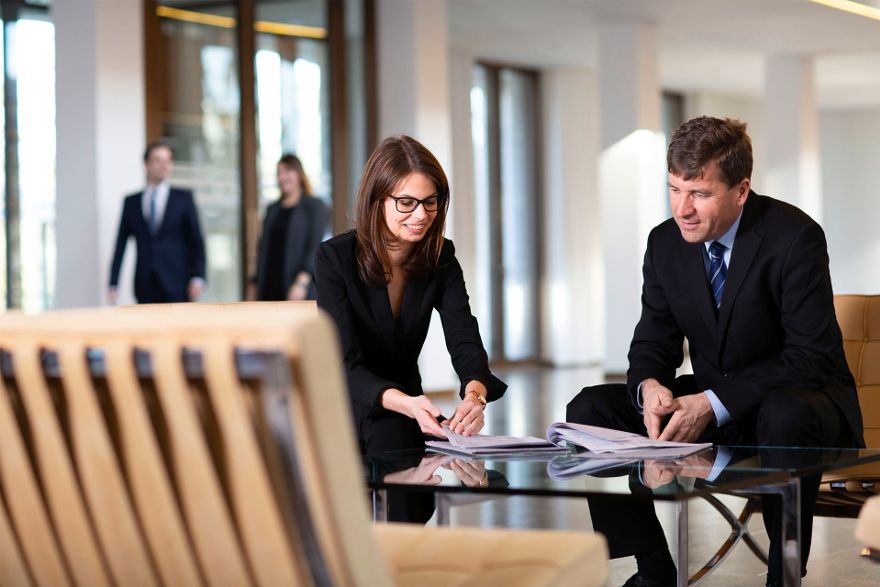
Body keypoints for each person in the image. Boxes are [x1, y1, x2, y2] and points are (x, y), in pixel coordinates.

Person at [566, 116, 863, 587]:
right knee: (588, 410)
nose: (682, 208)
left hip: (799, 405)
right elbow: (652, 340)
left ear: (741, 190)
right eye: (674, 190)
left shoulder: (795, 237)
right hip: (716, 402)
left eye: (699, 194)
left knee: (784, 413)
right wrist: (651, 387)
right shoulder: (664, 244)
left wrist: (711, 403)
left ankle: (784, 575)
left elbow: (810, 359)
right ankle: (652, 569)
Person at [315, 135, 506, 457]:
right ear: (377, 199)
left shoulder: (440, 256)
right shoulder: (335, 258)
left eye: (430, 201)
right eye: (406, 203)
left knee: (441, 473)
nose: (420, 215)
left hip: (408, 411)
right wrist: (407, 404)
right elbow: (343, 364)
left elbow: (464, 339)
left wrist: (475, 397)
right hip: (346, 407)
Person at [108, 142, 206, 304]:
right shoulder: (131, 202)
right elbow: (120, 245)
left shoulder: (183, 199)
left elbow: (196, 241)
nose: (164, 165)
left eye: (168, 160)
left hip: (178, 283)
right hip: (144, 284)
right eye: (158, 160)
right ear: (146, 164)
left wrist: (198, 277)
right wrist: (113, 283)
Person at [248, 154, 328, 301]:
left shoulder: (314, 206)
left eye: (287, 171)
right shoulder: (272, 209)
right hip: (269, 287)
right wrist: (254, 283)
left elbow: (315, 247)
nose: (282, 177)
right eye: (279, 172)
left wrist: (301, 282)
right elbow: (263, 249)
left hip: (297, 287)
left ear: (299, 174)